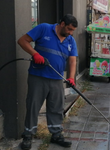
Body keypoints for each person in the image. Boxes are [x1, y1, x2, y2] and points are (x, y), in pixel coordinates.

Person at [17, 14, 78, 150]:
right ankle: (28, 135)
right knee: (33, 106)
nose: (70, 33)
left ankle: (56, 134)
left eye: (72, 30)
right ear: (62, 24)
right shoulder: (44, 29)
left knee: (57, 108)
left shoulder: (70, 41)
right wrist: (35, 54)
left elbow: (72, 60)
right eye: (69, 29)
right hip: (38, 77)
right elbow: (22, 41)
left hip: (57, 79)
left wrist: (72, 77)